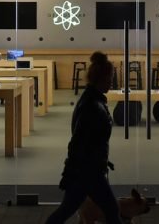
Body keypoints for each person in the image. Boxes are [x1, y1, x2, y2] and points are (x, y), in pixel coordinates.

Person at [46, 51, 122, 224]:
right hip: (88, 171)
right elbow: (78, 141)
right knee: (110, 209)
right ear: (99, 79)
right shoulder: (92, 106)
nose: (111, 82)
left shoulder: (92, 100)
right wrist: (71, 170)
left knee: (67, 210)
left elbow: (91, 140)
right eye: (108, 79)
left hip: (87, 168)